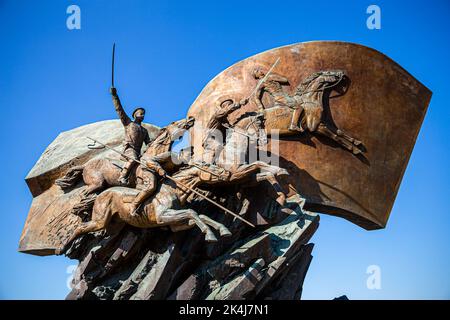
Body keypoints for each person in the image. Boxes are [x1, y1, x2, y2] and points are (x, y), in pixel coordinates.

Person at [110, 87, 151, 185]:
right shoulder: (128, 123)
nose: (143, 115)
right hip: (129, 150)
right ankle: (122, 176)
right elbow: (119, 109)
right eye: (141, 113)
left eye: (143, 114)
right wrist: (114, 96)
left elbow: (149, 143)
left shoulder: (144, 131)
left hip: (138, 152)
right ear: (135, 115)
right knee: (133, 158)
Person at [202, 97, 248, 164]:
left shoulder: (225, 121)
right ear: (225, 106)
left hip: (221, 141)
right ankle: (207, 165)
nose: (230, 107)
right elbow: (226, 110)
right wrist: (239, 103)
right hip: (211, 139)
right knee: (217, 146)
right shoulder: (217, 114)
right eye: (229, 105)